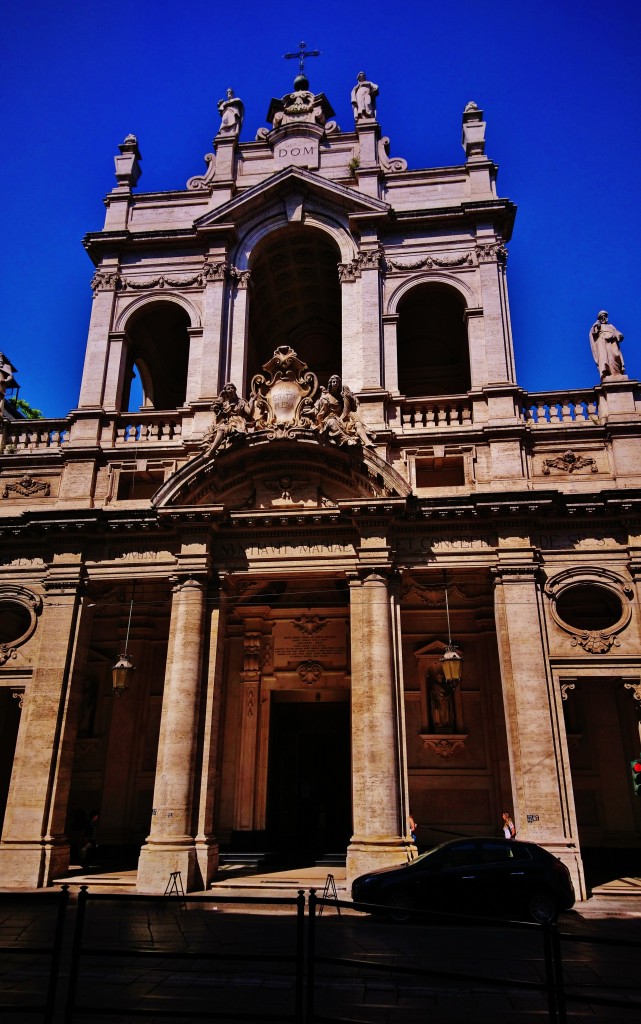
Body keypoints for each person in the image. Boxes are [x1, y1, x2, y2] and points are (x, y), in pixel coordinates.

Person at [313, 375, 374, 447]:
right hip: (329, 420)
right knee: (332, 421)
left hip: (341, 420)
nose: (335, 383)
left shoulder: (341, 398)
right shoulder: (325, 398)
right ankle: (346, 439)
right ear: (330, 384)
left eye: (337, 382)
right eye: (333, 382)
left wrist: (350, 398)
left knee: (358, 424)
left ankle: (367, 442)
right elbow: (319, 412)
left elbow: (352, 409)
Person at [202, 383, 254, 455]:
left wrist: (252, 400)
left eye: (232, 388)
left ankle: (211, 451)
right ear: (226, 392)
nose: (230, 390)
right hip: (227, 422)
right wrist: (220, 398)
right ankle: (212, 448)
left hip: (237, 422)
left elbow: (249, 412)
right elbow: (218, 413)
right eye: (228, 389)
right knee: (211, 430)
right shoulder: (225, 404)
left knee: (221, 430)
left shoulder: (241, 401)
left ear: (235, 390)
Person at [589, 310, 625, 379]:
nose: (603, 318)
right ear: (599, 318)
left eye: (604, 316)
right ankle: (609, 374)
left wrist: (619, 335)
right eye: (601, 316)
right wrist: (596, 326)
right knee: (605, 358)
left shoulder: (611, 326)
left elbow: (618, 334)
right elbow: (593, 333)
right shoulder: (598, 326)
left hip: (612, 342)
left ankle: (617, 373)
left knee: (616, 355)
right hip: (603, 343)